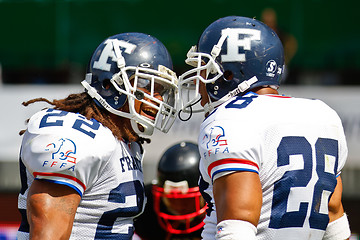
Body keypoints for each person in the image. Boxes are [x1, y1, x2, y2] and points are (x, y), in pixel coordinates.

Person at [178, 16, 351, 240]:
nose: (199, 81)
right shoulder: (324, 115)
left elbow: (236, 231)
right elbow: (334, 217)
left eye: (205, 70)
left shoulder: (231, 119)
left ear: (228, 74)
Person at [17, 32, 179, 239]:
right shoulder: (78, 136)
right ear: (110, 84)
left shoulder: (128, 144)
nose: (157, 99)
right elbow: (47, 231)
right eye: (147, 85)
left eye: (161, 90)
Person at [133, 141, 207, 240]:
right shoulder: (146, 209)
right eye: (172, 199)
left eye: (186, 200)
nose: (180, 207)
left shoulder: (220, 211)